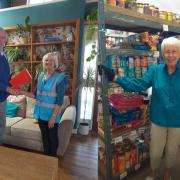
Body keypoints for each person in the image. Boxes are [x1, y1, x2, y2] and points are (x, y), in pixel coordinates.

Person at [99, 37, 180, 180]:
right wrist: (115, 77)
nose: (171, 55)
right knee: (155, 151)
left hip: (177, 120)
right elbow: (138, 84)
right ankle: (154, 171)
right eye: (167, 51)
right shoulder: (155, 70)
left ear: (179, 53)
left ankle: (167, 172)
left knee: (172, 150)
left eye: (174, 51)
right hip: (158, 119)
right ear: (163, 53)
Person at [21, 52, 67, 157]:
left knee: (52, 138)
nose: (48, 62)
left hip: (52, 115)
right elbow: (36, 95)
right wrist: (21, 92)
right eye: (46, 60)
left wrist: (53, 117)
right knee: (44, 137)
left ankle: (53, 159)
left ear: (55, 62)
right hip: (41, 114)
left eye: (51, 60)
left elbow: (59, 101)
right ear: (43, 62)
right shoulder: (41, 76)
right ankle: (46, 158)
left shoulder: (60, 78)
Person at [0, 27, 20, 144]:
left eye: (3, 38)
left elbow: (6, 77)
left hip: (3, 99)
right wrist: (7, 88)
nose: (1, 40)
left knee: (2, 127)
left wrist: (14, 84)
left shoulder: (4, 55)